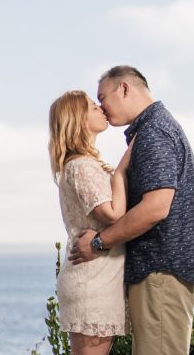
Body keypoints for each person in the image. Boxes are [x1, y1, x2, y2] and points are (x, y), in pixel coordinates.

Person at [70, 66, 194, 355]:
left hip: (160, 272)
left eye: (102, 98)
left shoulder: (153, 132)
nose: (102, 108)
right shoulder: (155, 128)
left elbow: (156, 207)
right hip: (161, 273)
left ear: (124, 88)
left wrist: (98, 243)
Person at [49, 89, 133, 355]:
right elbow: (112, 214)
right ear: (79, 120)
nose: (100, 108)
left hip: (97, 277)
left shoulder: (81, 164)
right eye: (92, 106)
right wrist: (121, 171)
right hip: (93, 280)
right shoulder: (81, 166)